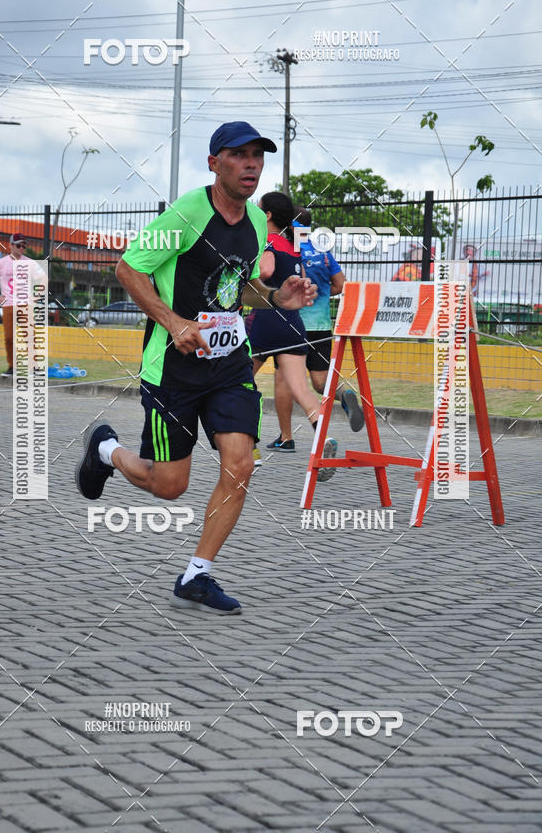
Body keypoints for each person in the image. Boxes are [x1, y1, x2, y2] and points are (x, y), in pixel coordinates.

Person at [75, 121, 316, 616]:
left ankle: (196, 575)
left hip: (229, 364)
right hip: (173, 369)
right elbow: (128, 268)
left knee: (241, 465)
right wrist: (173, 321)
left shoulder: (256, 220)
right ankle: (105, 450)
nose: (251, 164)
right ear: (214, 163)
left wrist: (276, 298)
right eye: (240, 155)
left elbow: (236, 286)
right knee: (170, 486)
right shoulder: (187, 213)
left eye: (258, 156)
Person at [244, 192, 339, 476]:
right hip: (293, 323)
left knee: (238, 382)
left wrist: (244, 274)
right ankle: (324, 439)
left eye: (259, 208)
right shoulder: (293, 246)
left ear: (268, 215)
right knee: (302, 390)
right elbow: (301, 278)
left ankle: (250, 447)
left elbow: (266, 270)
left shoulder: (269, 241)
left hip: (266, 318)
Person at [265, 209, 364, 455]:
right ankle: (345, 392)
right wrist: (320, 293)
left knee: (283, 380)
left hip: (293, 325)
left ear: (290, 224)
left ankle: (286, 438)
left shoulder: (287, 249)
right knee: (320, 382)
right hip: (321, 326)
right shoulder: (322, 251)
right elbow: (341, 284)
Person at [0, 232, 32, 376]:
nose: (22, 248)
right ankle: (12, 367)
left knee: (29, 336)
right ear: (11, 245)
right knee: (9, 338)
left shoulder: (29, 262)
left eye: (24, 246)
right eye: (19, 245)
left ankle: (33, 368)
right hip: (8, 305)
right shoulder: (0, 263)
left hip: (25, 304)